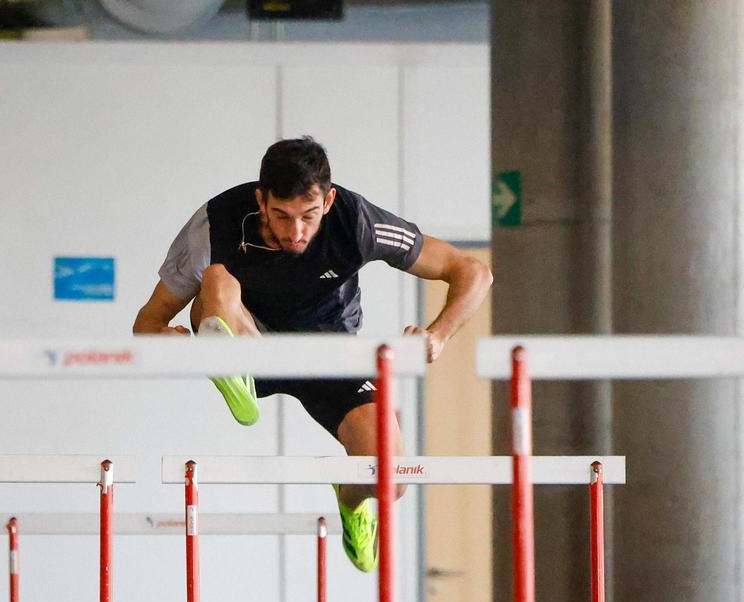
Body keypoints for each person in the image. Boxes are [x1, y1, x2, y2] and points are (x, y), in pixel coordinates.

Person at [133, 136, 491, 571]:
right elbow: (147, 323)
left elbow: (472, 271)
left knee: (391, 476)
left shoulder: (356, 221)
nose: (296, 232)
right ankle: (231, 369)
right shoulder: (215, 223)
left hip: (329, 354)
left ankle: (350, 497)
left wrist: (438, 334)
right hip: (251, 340)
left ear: (328, 201)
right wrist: (167, 343)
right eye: (281, 216)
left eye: (308, 216)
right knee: (216, 280)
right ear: (261, 200)